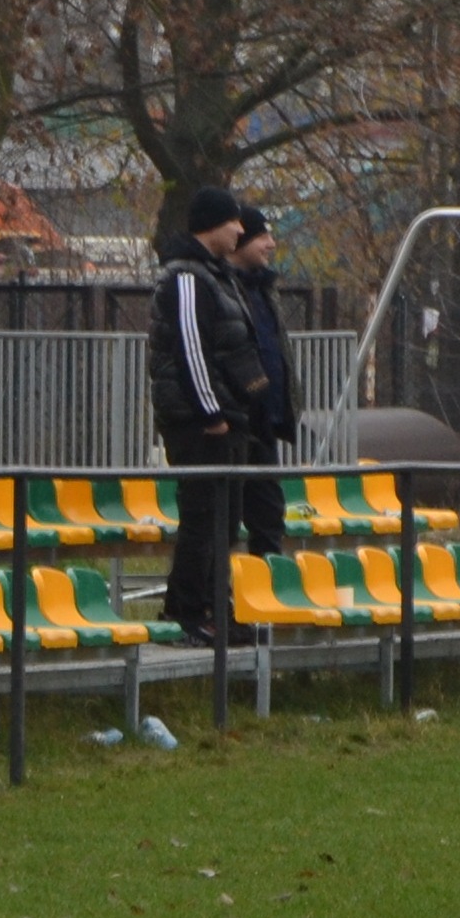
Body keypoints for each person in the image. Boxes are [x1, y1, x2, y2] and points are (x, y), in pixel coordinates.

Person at [148, 186, 271, 646]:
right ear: (212, 225)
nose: (241, 230)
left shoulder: (215, 275)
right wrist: (211, 413)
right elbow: (191, 350)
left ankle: (218, 610)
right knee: (202, 517)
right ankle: (185, 611)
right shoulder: (185, 277)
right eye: (233, 221)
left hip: (229, 418)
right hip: (200, 423)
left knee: (225, 520)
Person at [227, 207, 297, 558]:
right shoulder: (221, 287)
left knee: (269, 518)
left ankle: (267, 586)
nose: (271, 244)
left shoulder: (265, 289)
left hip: (264, 424)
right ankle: (218, 591)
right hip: (235, 422)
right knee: (221, 522)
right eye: (262, 237)